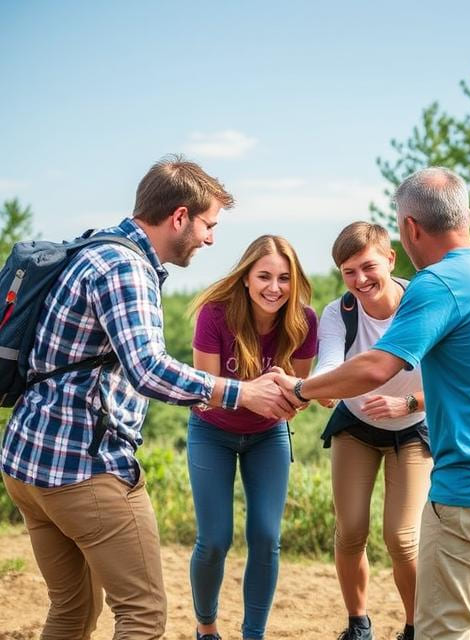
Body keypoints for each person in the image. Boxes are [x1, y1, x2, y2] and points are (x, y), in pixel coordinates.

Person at [1, 155, 295, 640]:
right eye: (207, 225)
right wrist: (242, 393)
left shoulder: (93, 248)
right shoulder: (126, 268)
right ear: (179, 216)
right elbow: (149, 370)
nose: (210, 239)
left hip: (28, 464)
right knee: (142, 615)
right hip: (82, 468)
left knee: (71, 613)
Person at [275, 166, 470, 640]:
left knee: (440, 630)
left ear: (408, 229)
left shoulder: (436, 285)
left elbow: (375, 368)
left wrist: (300, 390)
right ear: (464, 215)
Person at [187, 235, 318, 640]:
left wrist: (293, 395)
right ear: (246, 277)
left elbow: (300, 396)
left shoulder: (304, 321)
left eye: (283, 278)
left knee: (266, 536)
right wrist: (257, 394)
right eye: (263, 276)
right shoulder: (214, 315)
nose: (274, 287)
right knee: (214, 540)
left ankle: (253, 634)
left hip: (267, 437)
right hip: (212, 433)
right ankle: (207, 629)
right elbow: (205, 394)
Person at [314, 221, 431, 640]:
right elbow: (328, 364)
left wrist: (409, 402)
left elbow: (454, 378)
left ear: (390, 259)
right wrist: (323, 388)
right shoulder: (339, 313)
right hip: (356, 429)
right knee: (351, 530)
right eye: (349, 271)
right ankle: (357, 624)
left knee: (401, 537)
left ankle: (417, 627)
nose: (360, 280)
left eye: (367, 267)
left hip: (414, 429)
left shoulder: (424, 302)